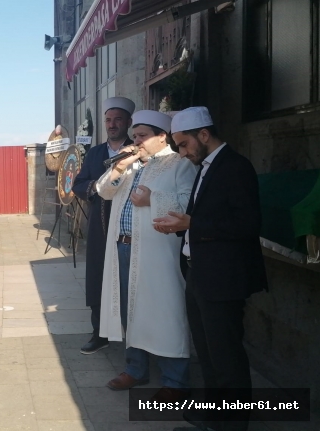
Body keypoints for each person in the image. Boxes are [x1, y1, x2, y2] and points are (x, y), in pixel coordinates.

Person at [154, 107, 267, 431]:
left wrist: (192, 223)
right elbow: (202, 219)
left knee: (227, 357)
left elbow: (247, 224)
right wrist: (180, 226)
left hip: (224, 278)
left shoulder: (235, 167)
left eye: (184, 144)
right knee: (207, 353)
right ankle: (214, 414)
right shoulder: (204, 167)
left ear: (204, 135)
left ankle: (233, 424)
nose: (181, 151)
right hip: (199, 273)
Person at [95, 110, 196, 399]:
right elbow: (104, 192)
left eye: (141, 136)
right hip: (123, 247)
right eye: (135, 136)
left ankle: (174, 380)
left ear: (161, 136)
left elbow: (190, 203)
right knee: (129, 309)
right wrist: (118, 167)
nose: (136, 141)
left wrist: (154, 200)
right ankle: (135, 368)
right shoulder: (131, 165)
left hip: (158, 252)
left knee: (165, 310)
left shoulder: (179, 164)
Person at [73, 96, 135, 355]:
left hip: (129, 227)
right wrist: (97, 189)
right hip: (100, 225)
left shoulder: (137, 149)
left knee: (129, 280)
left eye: (117, 119)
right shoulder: (96, 153)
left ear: (128, 122)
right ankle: (100, 333)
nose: (112, 124)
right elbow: (79, 183)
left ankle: (133, 335)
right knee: (99, 276)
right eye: (108, 120)